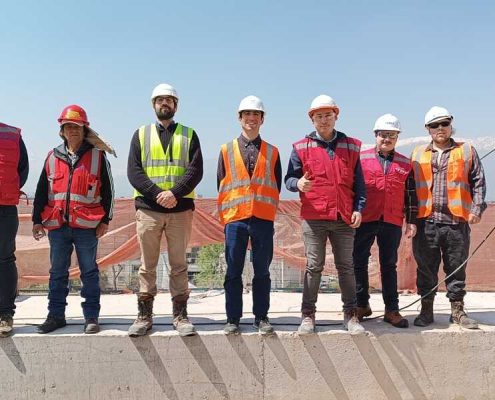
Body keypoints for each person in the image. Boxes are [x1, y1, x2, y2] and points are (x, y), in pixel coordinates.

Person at [285, 94, 366, 334]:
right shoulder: (301, 147)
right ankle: (307, 315)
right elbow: (289, 179)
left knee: (346, 267)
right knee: (314, 266)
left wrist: (358, 209)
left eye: (328, 115)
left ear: (336, 116)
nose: (324, 120)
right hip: (314, 217)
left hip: (344, 218)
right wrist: (297, 184)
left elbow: (359, 184)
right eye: (318, 116)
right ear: (312, 119)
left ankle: (350, 315)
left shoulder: (351, 146)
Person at [127, 83, 203, 337]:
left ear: (176, 106)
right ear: (153, 105)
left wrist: (174, 193)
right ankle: (144, 316)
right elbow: (134, 172)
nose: (164, 104)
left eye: (169, 100)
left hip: (179, 210)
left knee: (179, 265)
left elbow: (195, 170)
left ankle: (180, 316)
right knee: (147, 265)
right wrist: (158, 194)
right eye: (160, 100)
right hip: (149, 210)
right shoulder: (141, 134)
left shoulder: (189, 135)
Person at [32, 105, 115, 334]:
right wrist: (37, 220)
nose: (73, 130)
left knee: (89, 272)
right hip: (58, 225)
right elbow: (41, 191)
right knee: (57, 273)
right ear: (62, 131)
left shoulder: (98, 156)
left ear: (84, 129)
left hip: (87, 226)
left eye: (77, 127)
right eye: (68, 126)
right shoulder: (52, 156)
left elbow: (109, 191)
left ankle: (91, 317)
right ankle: (55, 316)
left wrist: (105, 220)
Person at [411, 106, 486, 329]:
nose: (440, 128)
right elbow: (410, 188)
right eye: (435, 125)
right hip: (426, 222)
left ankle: (457, 311)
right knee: (426, 269)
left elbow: (478, 181)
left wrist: (476, 209)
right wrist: (410, 219)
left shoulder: (466, 150)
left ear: (451, 125)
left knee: (456, 268)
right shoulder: (418, 153)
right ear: (428, 129)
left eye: (444, 123)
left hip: (456, 223)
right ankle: (426, 310)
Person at [217, 96, 281, 335]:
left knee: (262, 271)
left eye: (256, 114)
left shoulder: (273, 152)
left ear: (262, 119)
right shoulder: (226, 150)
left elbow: (275, 184)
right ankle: (232, 318)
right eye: (247, 114)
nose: (251, 118)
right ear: (239, 118)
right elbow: (221, 183)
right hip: (235, 219)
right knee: (233, 270)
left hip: (263, 218)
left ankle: (261, 317)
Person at [353, 114, 417, 328]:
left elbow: (411, 195)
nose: (387, 139)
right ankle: (361, 304)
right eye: (383, 134)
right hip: (365, 218)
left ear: (397, 137)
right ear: (375, 135)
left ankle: (392, 309)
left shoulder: (405, 163)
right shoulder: (361, 159)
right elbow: (352, 189)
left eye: (392, 135)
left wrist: (412, 221)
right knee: (358, 262)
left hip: (392, 220)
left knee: (389, 265)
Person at [0, 123, 29, 338]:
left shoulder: (11, 135)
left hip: (5, 208)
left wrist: (7, 190)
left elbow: (22, 170)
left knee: (5, 259)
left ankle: (5, 314)